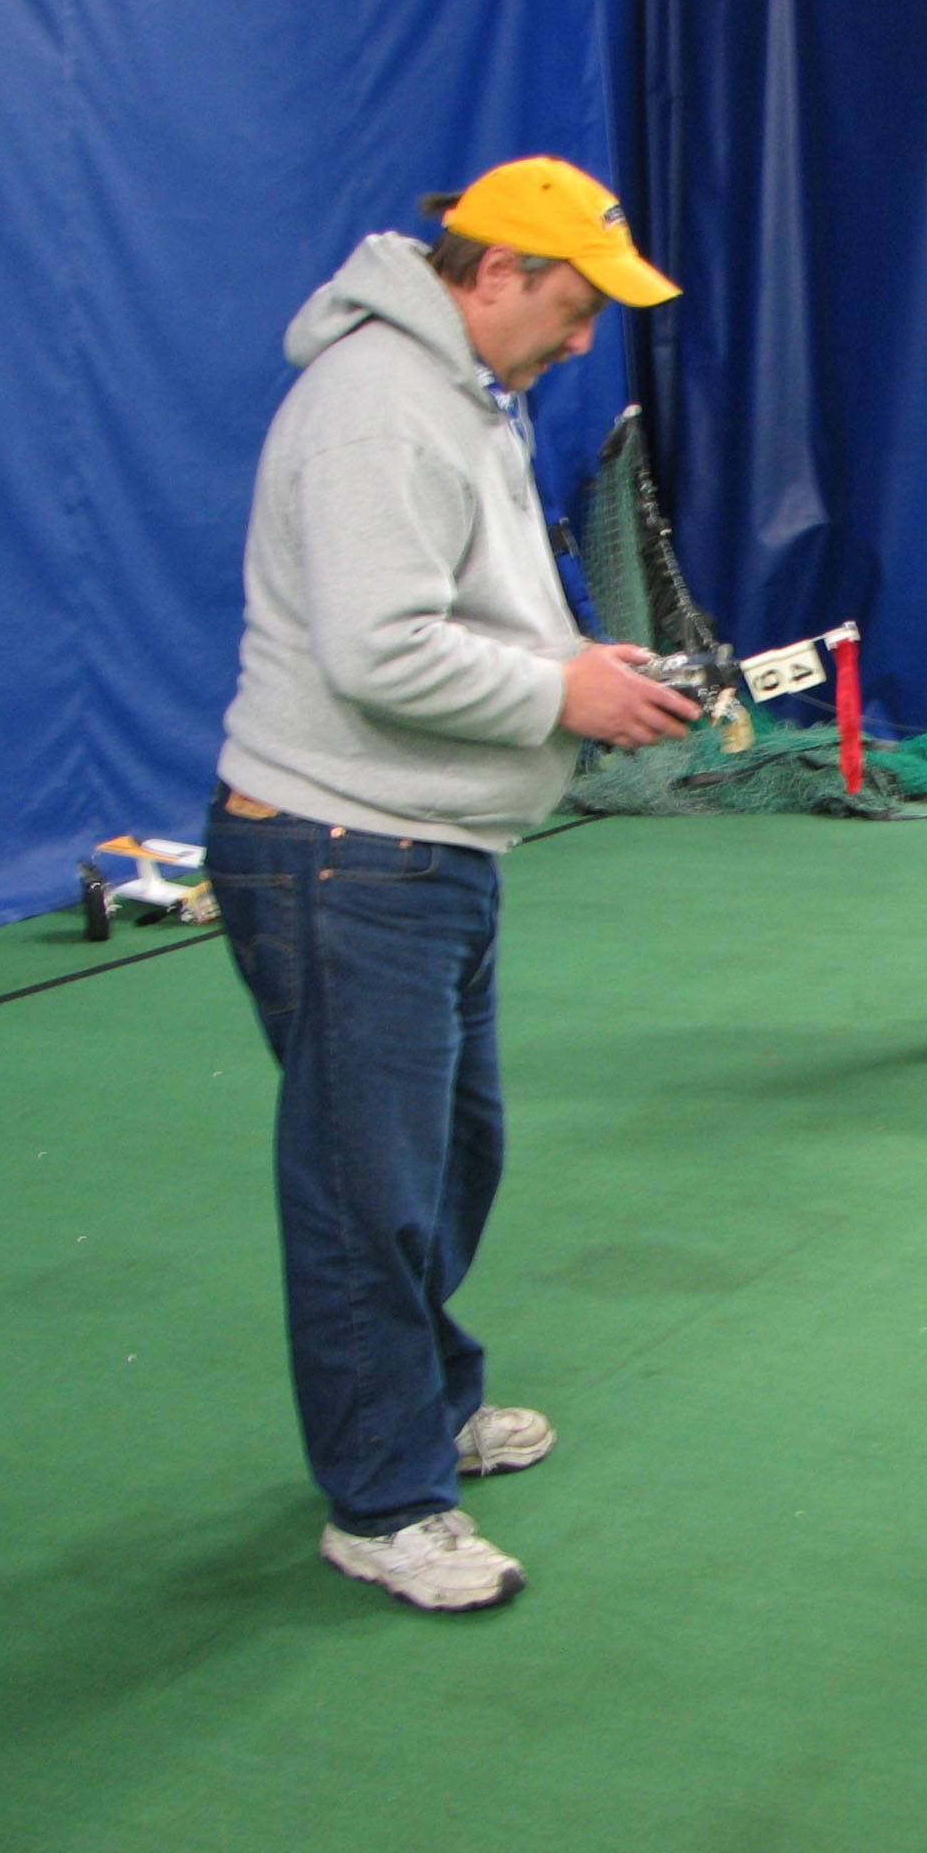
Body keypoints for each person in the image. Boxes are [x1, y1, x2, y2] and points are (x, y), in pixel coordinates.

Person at [204, 158, 696, 1611]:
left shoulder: (464, 394)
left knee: (444, 1163)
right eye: (574, 304)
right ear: (491, 275)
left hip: (426, 852)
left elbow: (466, 614)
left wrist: (579, 669)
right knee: (367, 1192)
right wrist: (561, 695)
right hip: (344, 852)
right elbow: (380, 650)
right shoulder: (380, 404)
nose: (586, 337)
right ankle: (384, 1500)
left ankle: (427, 1401)